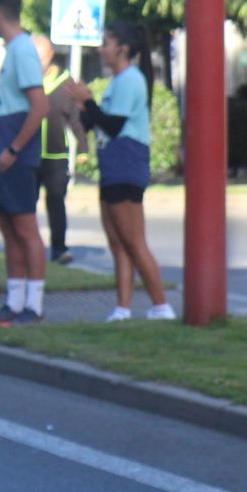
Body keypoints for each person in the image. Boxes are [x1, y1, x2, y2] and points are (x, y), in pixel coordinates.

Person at [64, 21, 173, 322]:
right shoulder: (117, 82)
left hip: (126, 162)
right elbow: (98, 123)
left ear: (122, 49)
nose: (101, 49)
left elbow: (115, 125)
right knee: (117, 241)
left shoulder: (130, 80)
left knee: (134, 240)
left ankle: (161, 306)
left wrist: (88, 103)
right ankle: (122, 308)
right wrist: (82, 107)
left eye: (106, 44)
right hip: (112, 164)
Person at [0, 0, 50, 326]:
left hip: (15, 153)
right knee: (9, 227)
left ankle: (32, 306)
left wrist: (13, 149)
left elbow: (39, 106)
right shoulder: (13, 51)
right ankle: (14, 301)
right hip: (2, 149)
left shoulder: (22, 50)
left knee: (25, 227)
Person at [32, 34, 84, 265]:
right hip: (30, 153)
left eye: (41, 56)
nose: (37, 61)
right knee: (25, 205)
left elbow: (75, 119)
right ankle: (29, 250)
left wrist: (83, 148)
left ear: (50, 56)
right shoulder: (28, 81)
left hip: (55, 156)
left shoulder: (64, 84)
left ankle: (59, 249)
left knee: (56, 202)